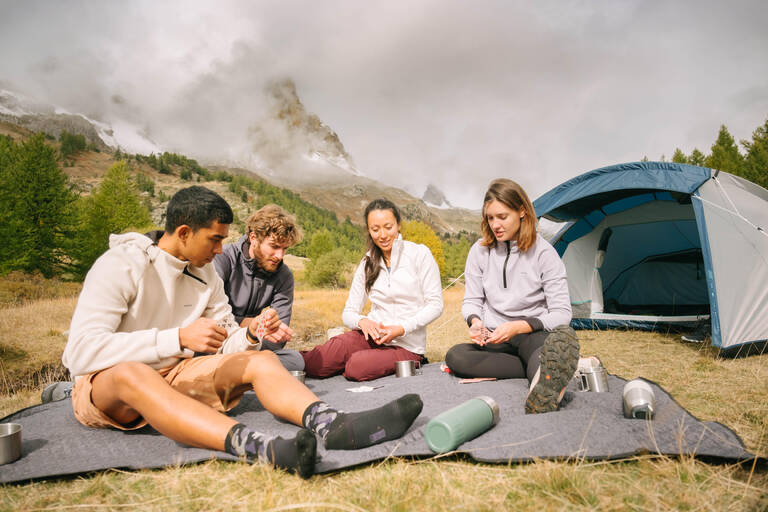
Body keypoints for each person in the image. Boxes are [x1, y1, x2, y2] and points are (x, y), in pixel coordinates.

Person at [61, 186, 424, 479]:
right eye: (214, 240)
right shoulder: (120, 265)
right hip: (109, 385)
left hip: (176, 371)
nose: (220, 249)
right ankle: (258, 447)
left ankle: (334, 425)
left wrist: (251, 337)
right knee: (133, 372)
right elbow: (78, 353)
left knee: (263, 359)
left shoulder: (205, 275)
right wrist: (178, 338)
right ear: (184, 233)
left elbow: (229, 335)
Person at [444, 179, 580, 414]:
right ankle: (540, 369)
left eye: (502, 216)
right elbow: (472, 300)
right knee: (456, 357)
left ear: (522, 212)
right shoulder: (479, 251)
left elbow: (562, 314)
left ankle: (541, 385)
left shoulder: (544, 253)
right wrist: (475, 322)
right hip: (496, 338)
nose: (495, 224)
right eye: (490, 218)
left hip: (532, 335)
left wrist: (520, 326)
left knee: (539, 348)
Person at [301, 199, 444, 381]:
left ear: (398, 225)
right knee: (317, 362)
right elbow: (349, 313)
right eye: (375, 230)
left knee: (357, 366)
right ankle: (273, 362)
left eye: (388, 227)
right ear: (369, 231)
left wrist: (401, 329)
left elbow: (436, 306)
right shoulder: (367, 263)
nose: (383, 235)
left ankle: (404, 361)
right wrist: (363, 322)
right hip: (370, 338)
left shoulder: (419, 254)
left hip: (406, 345)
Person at [214, 204, 304, 372]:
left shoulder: (284, 276)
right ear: (253, 237)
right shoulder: (223, 259)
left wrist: (256, 332)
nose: (280, 256)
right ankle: (248, 372)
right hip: (216, 345)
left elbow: (276, 338)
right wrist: (252, 324)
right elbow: (211, 320)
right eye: (274, 246)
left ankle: (238, 371)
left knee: (296, 361)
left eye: (285, 248)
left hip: (253, 348)